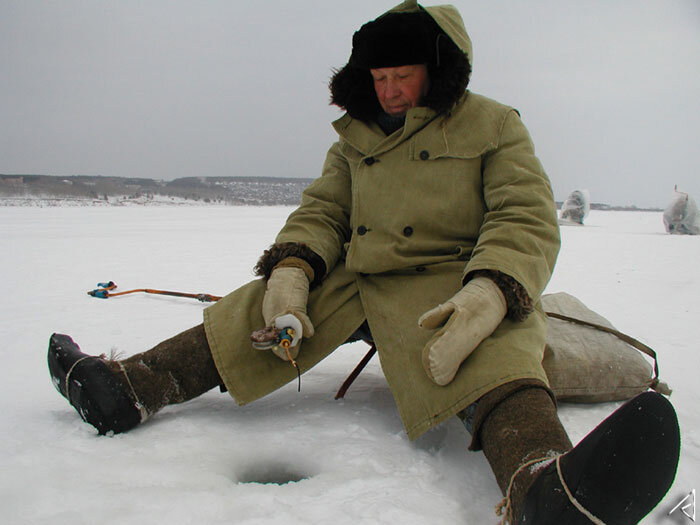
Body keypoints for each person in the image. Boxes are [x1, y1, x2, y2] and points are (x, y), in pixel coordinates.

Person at [48, 2, 680, 523]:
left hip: (455, 283)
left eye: (401, 75)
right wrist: (292, 272)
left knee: (498, 356)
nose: (389, 90)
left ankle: (545, 488)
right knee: (255, 315)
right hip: (362, 279)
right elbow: (324, 212)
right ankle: (129, 389)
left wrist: (489, 292)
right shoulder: (353, 138)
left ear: (437, 68)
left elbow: (524, 216)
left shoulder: (494, 125)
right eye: (378, 78)